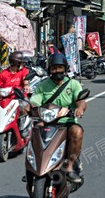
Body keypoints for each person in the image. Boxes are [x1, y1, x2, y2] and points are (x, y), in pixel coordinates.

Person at [29, 53, 87, 183]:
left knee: (77, 132)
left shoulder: (73, 84)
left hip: (67, 122)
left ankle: (70, 166)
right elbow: (34, 101)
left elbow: (81, 101)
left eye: (60, 67)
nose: (57, 71)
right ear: (49, 70)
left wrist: (79, 109)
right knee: (35, 131)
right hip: (47, 121)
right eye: (54, 68)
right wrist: (29, 108)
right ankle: (34, 166)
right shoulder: (42, 85)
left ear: (65, 68)